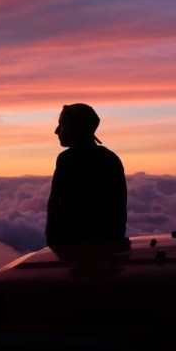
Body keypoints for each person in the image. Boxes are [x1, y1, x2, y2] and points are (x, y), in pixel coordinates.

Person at [45, 103, 128, 247]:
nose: (56, 131)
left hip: (74, 252)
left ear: (76, 128)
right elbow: (118, 215)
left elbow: (57, 210)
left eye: (62, 124)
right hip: (107, 251)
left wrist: (55, 247)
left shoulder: (67, 160)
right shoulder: (111, 159)